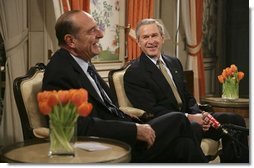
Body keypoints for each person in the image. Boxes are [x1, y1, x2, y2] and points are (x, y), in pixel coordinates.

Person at [42, 10, 207, 163]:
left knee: (184, 145)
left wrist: (133, 124)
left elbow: (109, 108)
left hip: (122, 133)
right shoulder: (60, 71)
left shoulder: (83, 64)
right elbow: (73, 126)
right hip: (108, 146)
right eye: (92, 31)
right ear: (70, 41)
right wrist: (134, 131)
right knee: (178, 120)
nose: (100, 34)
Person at [123, 18, 249, 163]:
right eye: (145, 37)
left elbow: (187, 96)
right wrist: (190, 117)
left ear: (162, 38)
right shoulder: (134, 73)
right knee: (194, 126)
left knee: (235, 120)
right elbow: (152, 110)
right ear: (138, 42)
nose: (151, 41)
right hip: (168, 126)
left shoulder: (174, 62)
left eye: (154, 35)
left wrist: (199, 114)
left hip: (192, 117)